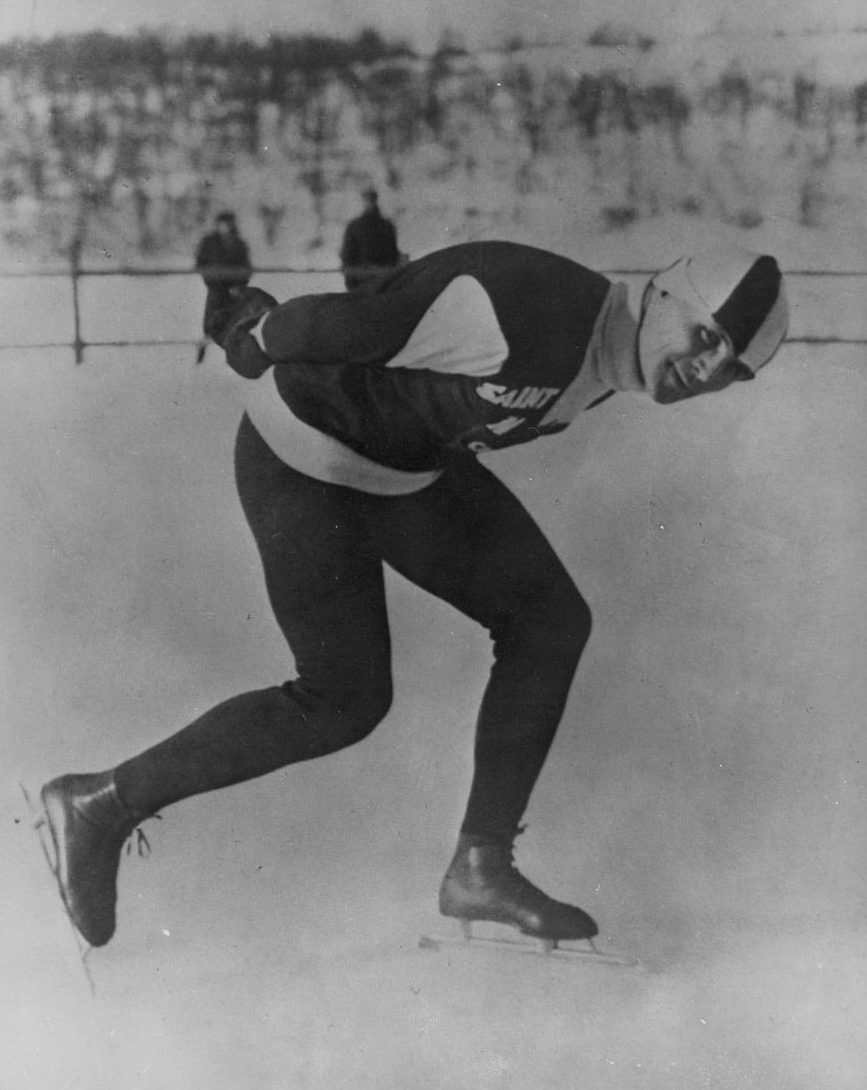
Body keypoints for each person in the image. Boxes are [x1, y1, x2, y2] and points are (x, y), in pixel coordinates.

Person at [39, 240, 788, 950]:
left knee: (549, 620)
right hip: (303, 462)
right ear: (664, 292)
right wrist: (261, 331)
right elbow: (356, 322)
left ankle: (479, 868)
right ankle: (99, 803)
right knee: (344, 699)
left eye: (734, 369)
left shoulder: (603, 366)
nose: (709, 367)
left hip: (402, 477)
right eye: (707, 334)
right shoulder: (524, 302)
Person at [194, 211, 252, 362]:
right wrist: (211, 280)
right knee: (209, 325)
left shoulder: (239, 243)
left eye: (230, 224)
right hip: (215, 288)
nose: (227, 227)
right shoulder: (209, 243)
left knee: (234, 325)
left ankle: (235, 360)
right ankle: (200, 358)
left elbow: (246, 268)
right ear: (218, 225)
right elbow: (200, 263)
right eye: (224, 224)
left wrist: (239, 286)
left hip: (233, 291)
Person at [339, 186, 402, 290]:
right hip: (361, 281)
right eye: (367, 200)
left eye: (372, 200)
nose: (369, 203)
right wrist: (351, 281)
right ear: (363, 202)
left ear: (376, 201)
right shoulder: (354, 226)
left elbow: (393, 253)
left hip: (384, 279)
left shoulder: (386, 225)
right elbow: (347, 255)